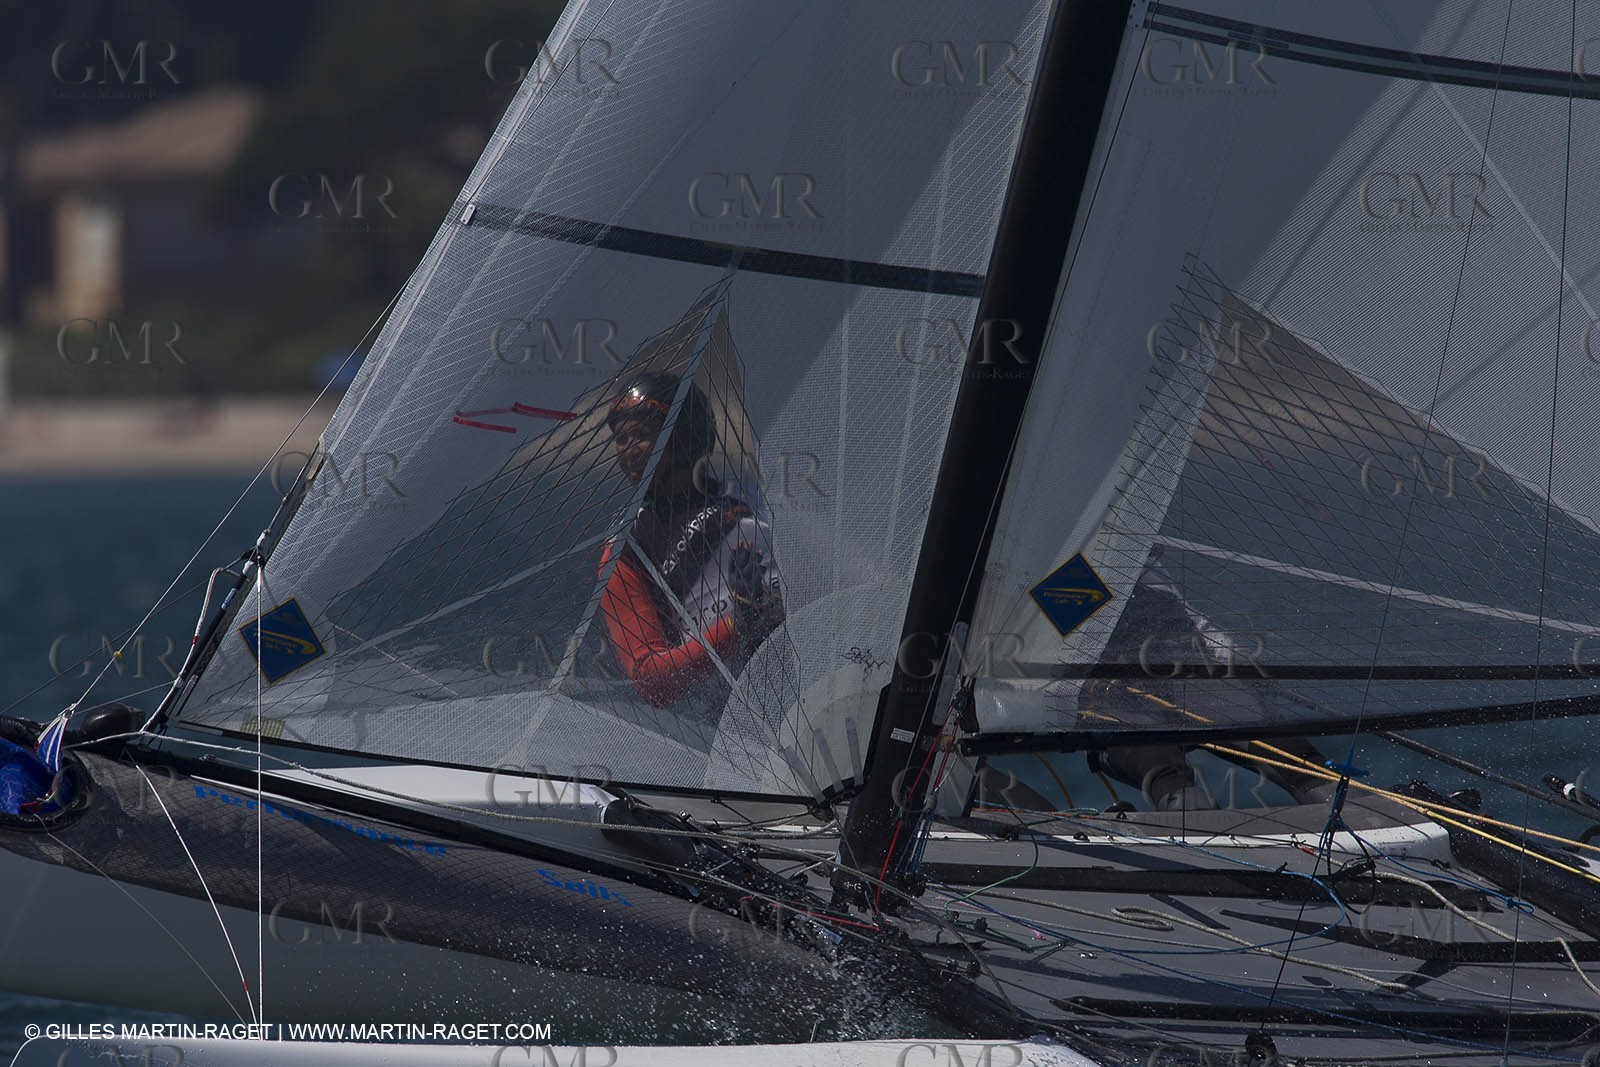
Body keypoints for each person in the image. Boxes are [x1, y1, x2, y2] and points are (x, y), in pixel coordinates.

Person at [597, 371, 784, 709]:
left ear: (684, 437)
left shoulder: (752, 499)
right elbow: (650, 681)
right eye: (621, 440)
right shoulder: (626, 550)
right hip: (742, 714)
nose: (628, 451)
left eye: (639, 436)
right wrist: (737, 624)